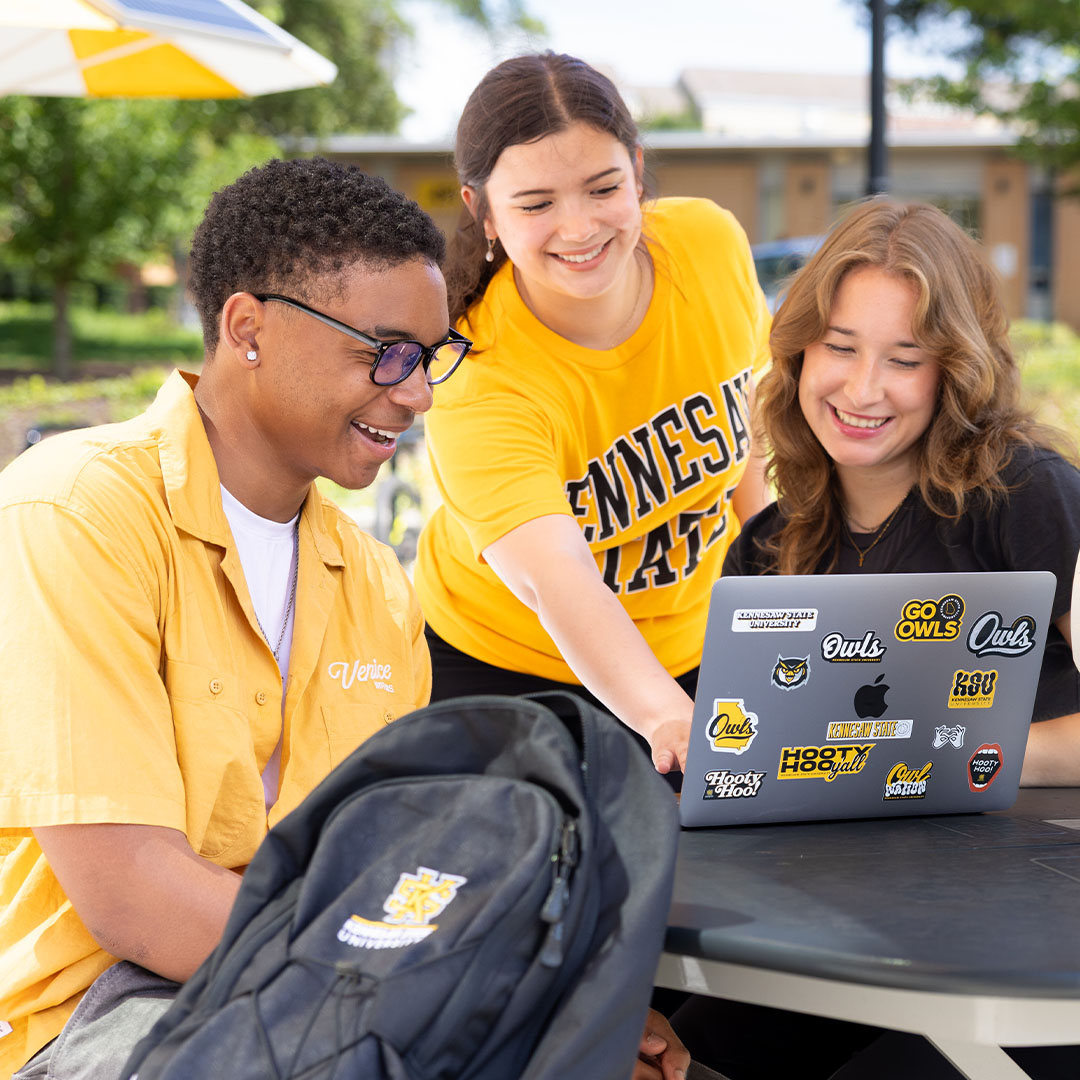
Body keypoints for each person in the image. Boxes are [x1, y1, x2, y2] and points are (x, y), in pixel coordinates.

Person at [0, 157, 463, 1077]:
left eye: (433, 357)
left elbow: (398, 870)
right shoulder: (75, 511)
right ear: (246, 326)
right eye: (387, 351)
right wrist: (433, 990)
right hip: (90, 1018)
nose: (416, 393)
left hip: (327, 1004)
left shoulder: (377, 585)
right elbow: (137, 898)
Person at [675, 197, 1080, 1080]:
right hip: (834, 925)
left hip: (1029, 953)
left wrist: (943, 755)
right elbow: (738, 767)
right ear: (798, 351)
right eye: (842, 347)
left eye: (905, 359)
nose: (863, 390)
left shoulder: (1029, 492)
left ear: (955, 371)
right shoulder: (770, 545)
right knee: (666, 1042)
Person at [413, 52, 772, 775]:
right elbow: (560, 580)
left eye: (603, 188)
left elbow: (749, 431)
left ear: (637, 172)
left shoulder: (709, 244)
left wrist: (773, 582)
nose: (577, 228)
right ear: (482, 211)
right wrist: (667, 718)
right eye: (536, 204)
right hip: (506, 666)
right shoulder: (476, 376)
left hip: (696, 648)